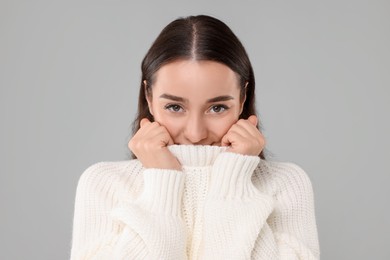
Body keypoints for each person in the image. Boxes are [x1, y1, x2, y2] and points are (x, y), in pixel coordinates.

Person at [70, 15, 320, 259]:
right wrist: (161, 182)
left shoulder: (286, 185)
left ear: (243, 98)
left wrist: (233, 179)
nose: (195, 133)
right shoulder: (104, 184)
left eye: (217, 108)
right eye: (175, 107)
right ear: (149, 96)